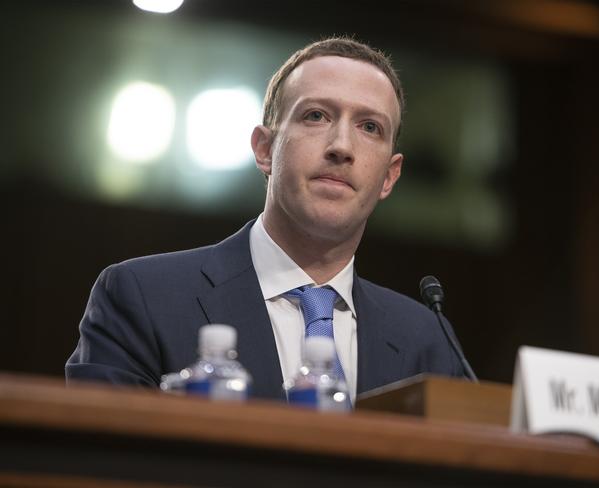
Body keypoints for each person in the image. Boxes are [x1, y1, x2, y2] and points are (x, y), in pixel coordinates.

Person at [66, 36, 465, 402]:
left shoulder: (426, 340)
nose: (342, 146)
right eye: (316, 116)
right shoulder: (143, 297)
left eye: (369, 127)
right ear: (264, 148)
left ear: (389, 177)